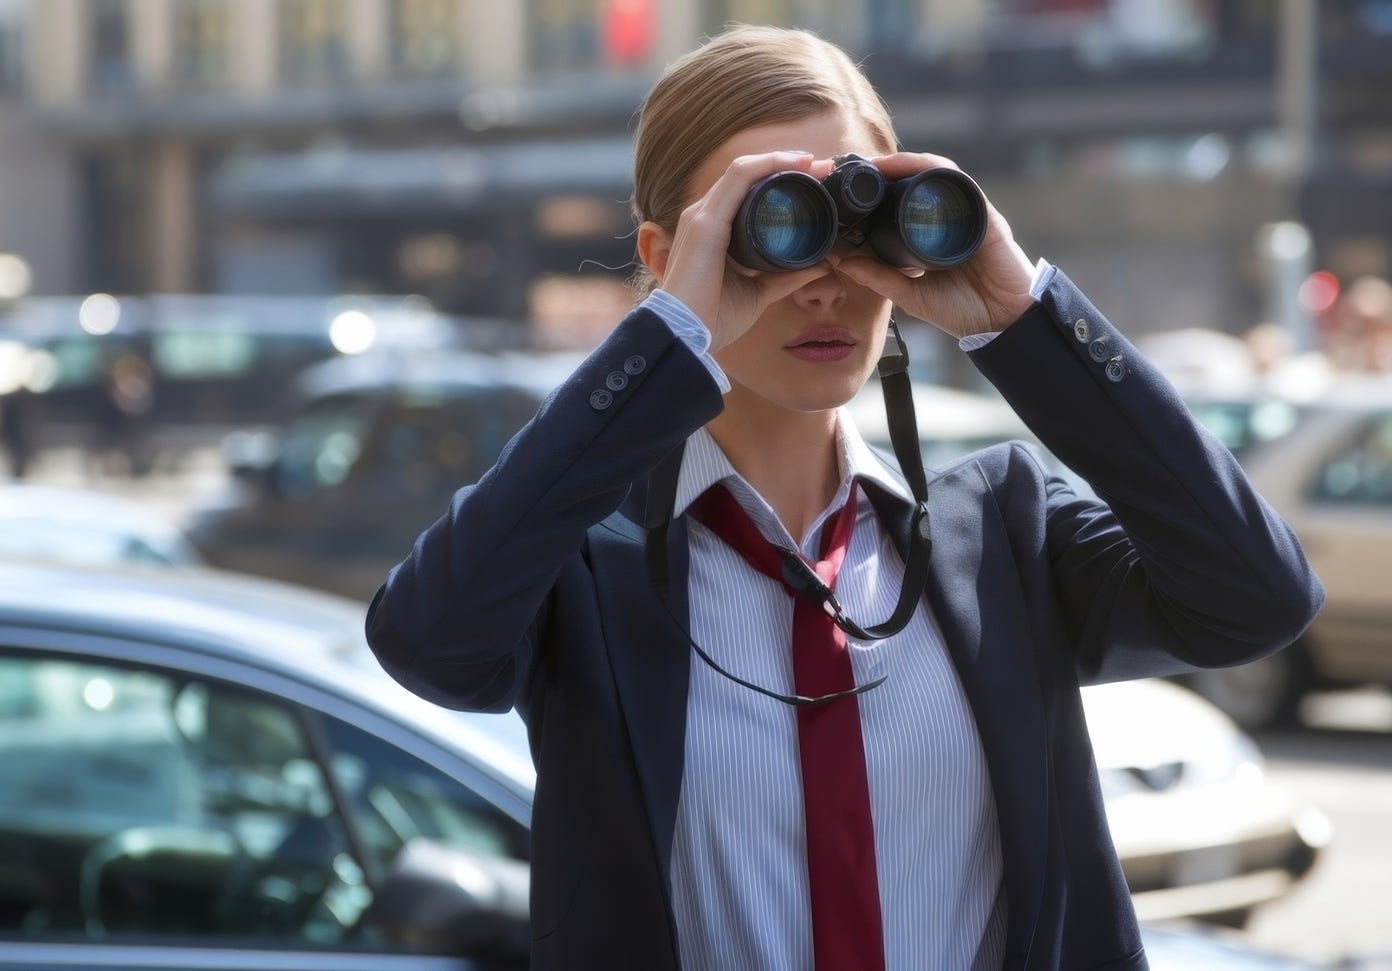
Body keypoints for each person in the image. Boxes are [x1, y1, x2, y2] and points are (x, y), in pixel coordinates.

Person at [366, 24, 1322, 971]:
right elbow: (427, 639)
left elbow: (1255, 595)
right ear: (665, 256)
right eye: (768, 226)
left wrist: (1023, 317)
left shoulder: (1001, 533)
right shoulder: (583, 563)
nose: (823, 284)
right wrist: (665, 343)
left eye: (855, 221)